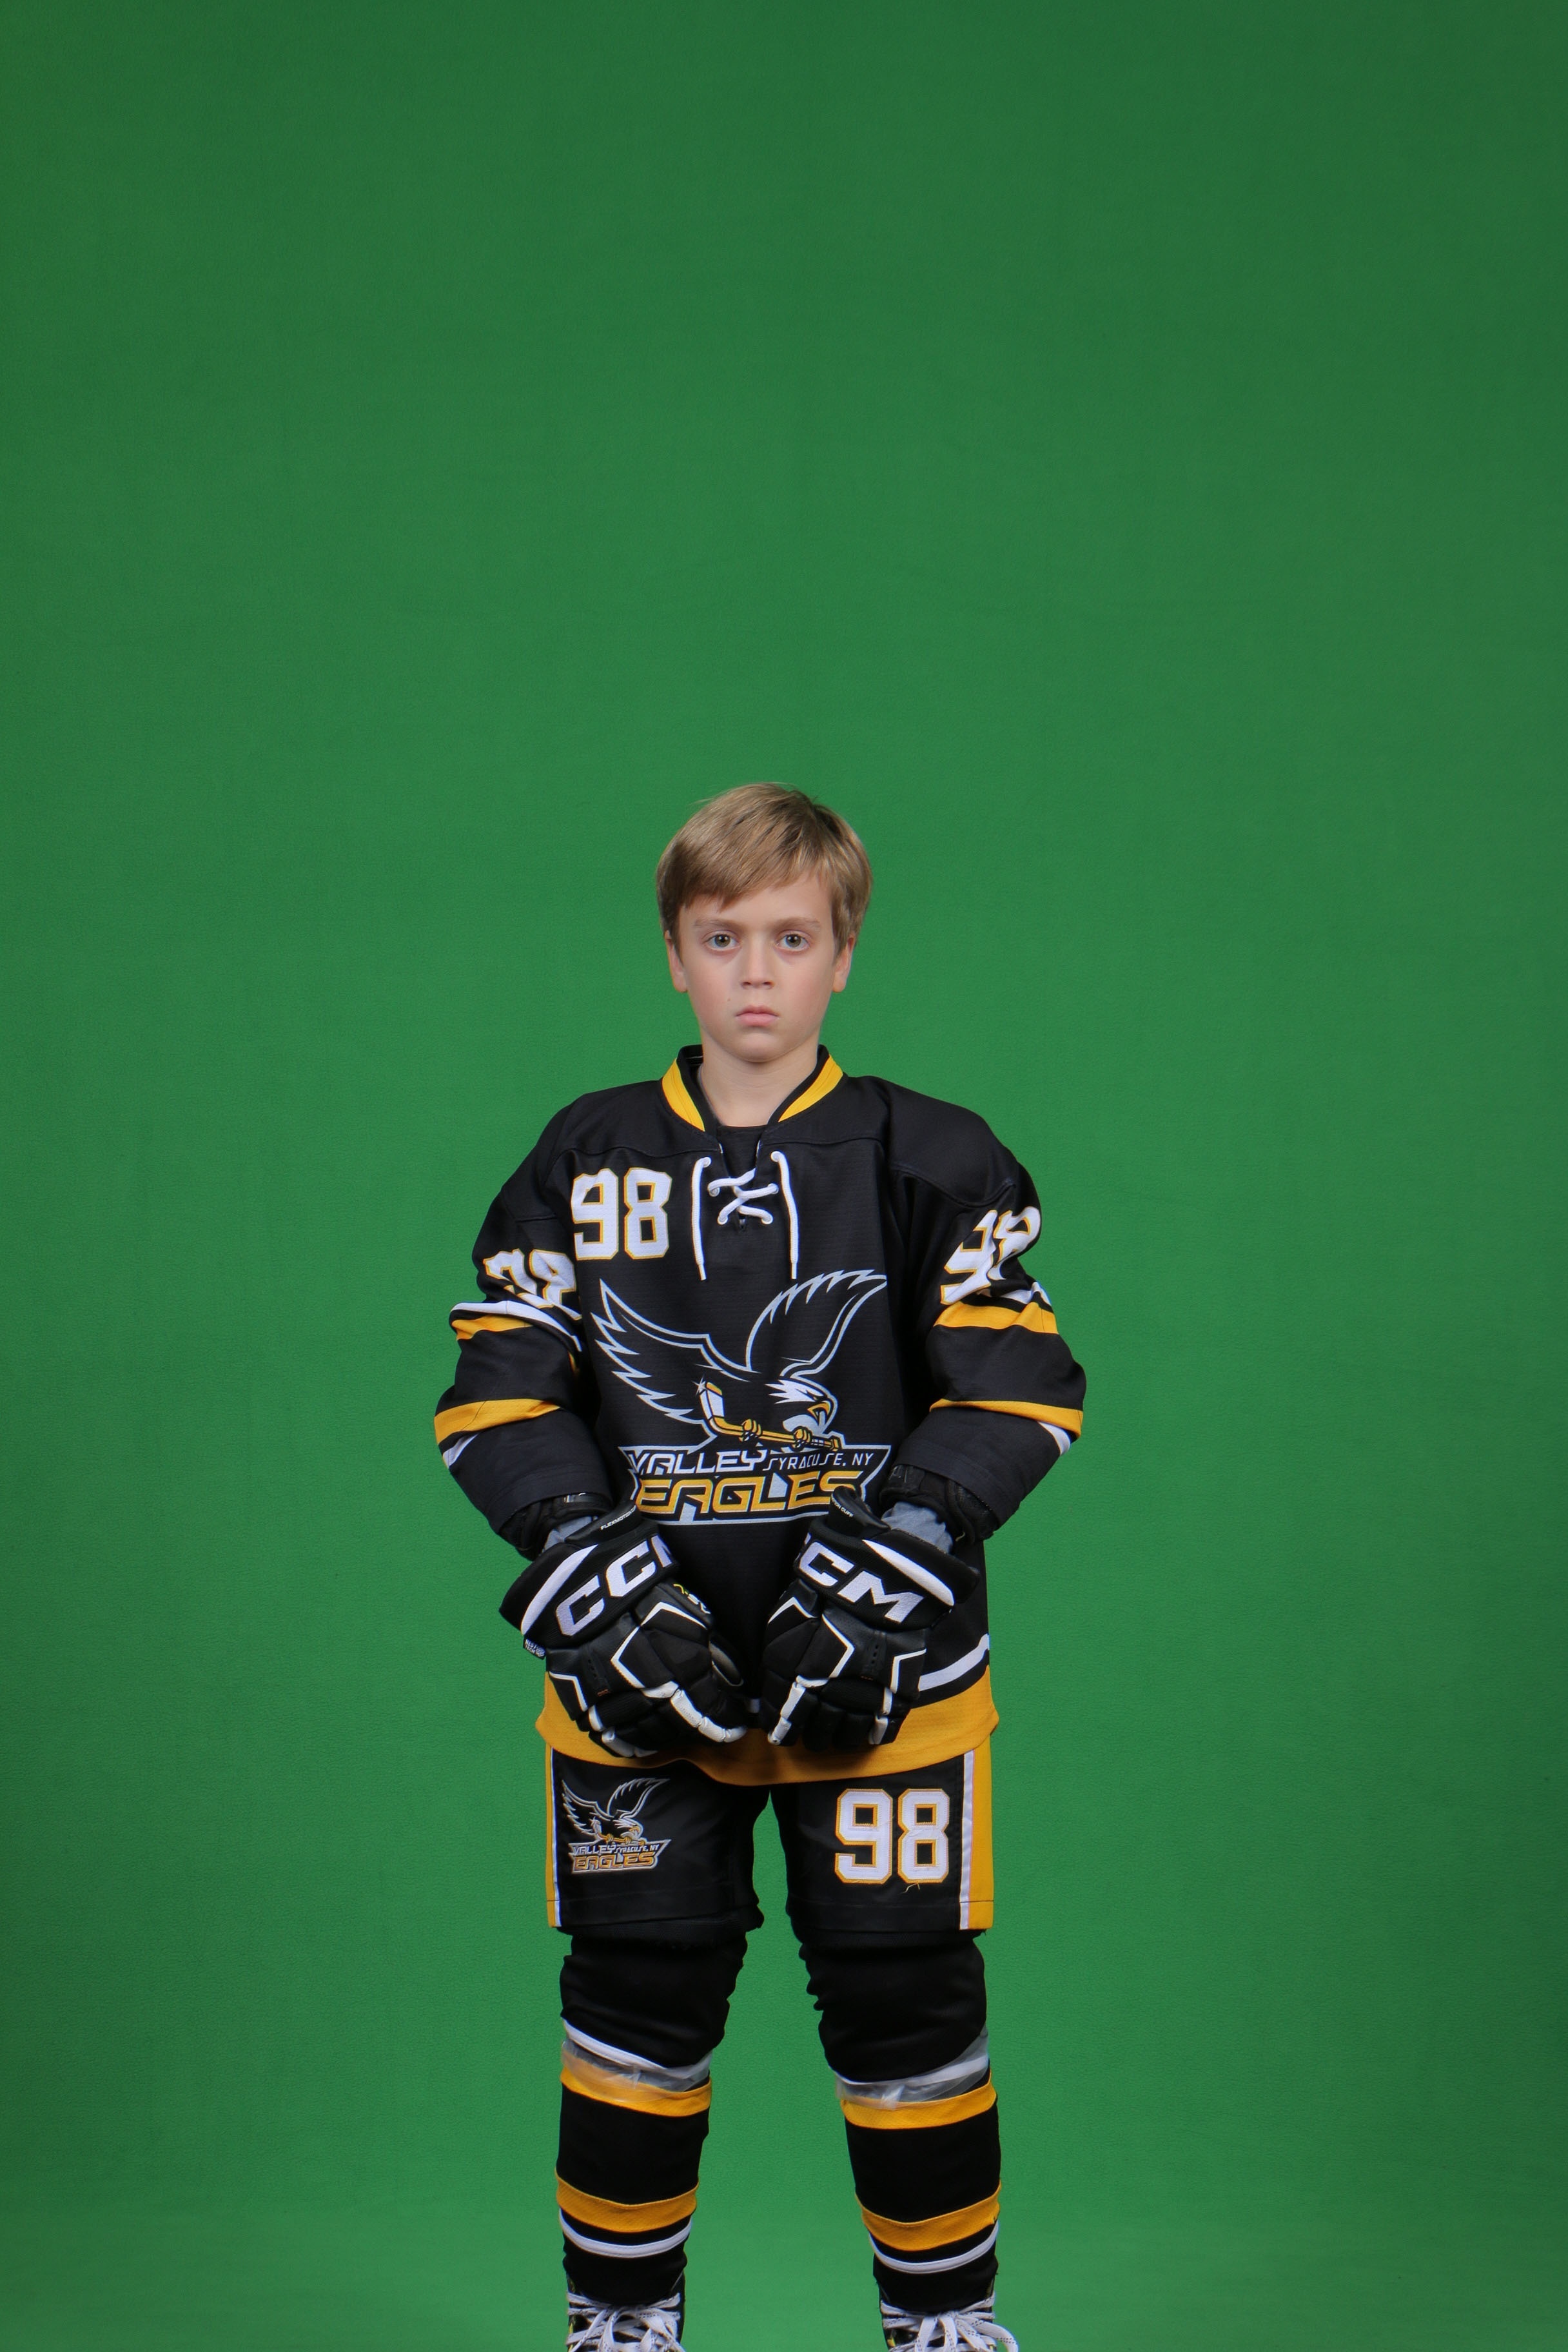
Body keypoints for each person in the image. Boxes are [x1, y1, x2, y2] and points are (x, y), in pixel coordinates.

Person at [434, 783, 1086, 2351]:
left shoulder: (934, 1156)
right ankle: (620, 2328)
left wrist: (902, 1545)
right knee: (634, 2003)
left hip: (888, 1692)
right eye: (722, 938)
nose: (754, 974)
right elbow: (502, 1386)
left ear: (843, 956)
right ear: (673, 953)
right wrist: (581, 1552)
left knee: (907, 2000)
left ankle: (942, 2325)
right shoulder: (583, 1154)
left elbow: (1015, 1387)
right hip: (639, 1688)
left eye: (791, 940)